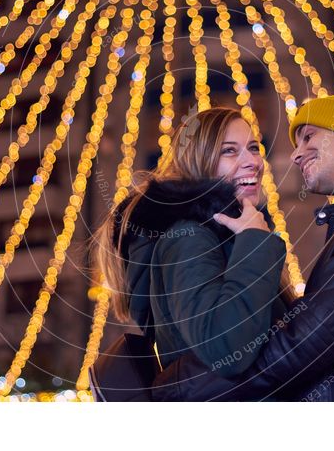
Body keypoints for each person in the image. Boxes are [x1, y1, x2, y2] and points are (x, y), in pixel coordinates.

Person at [151, 90, 334, 401]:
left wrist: (182, 389)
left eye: (308, 136)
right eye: (230, 151)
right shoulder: (193, 237)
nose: (294, 154)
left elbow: (311, 338)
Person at [93, 107, 294, 380]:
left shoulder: (223, 235)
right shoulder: (188, 238)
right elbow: (224, 347)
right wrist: (254, 242)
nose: (254, 162)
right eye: (230, 151)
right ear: (199, 161)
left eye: (254, 148)